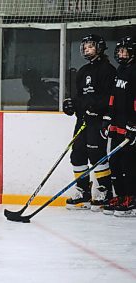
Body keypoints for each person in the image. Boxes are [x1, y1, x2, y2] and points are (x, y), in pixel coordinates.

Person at [63, 34, 116, 211]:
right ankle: (83, 191)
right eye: (85, 46)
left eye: (90, 46)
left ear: (99, 48)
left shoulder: (108, 70)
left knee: (96, 154)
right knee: (77, 154)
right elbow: (80, 97)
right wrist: (71, 106)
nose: (86, 48)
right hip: (83, 120)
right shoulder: (83, 71)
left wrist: (99, 110)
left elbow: (110, 97)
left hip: (98, 121)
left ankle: (105, 191)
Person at [100, 36, 136, 217]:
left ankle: (131, 198)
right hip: (117, 125)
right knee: (114, 161)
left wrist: (134, 125)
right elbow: (113, 97)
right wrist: (107, 118)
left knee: (128, 164)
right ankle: (121, 195)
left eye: (124, 51)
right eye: (119, 51)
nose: (120, 54)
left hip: (130, 126)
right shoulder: (120, 70)